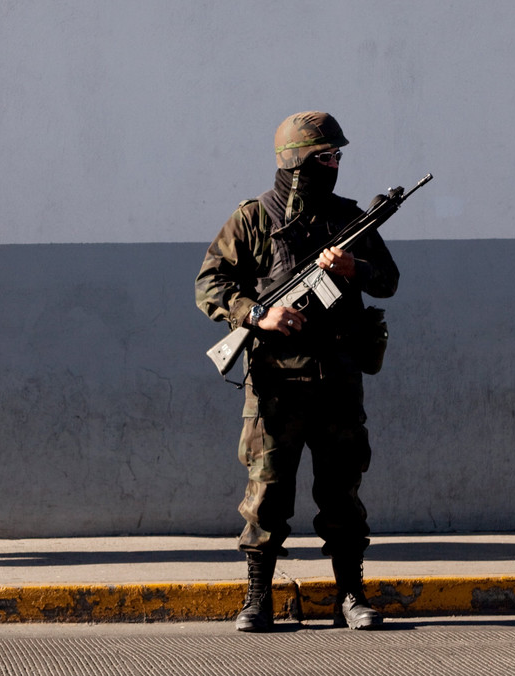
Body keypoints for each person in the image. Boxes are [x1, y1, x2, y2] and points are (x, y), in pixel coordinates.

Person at [196, 111, 399, 630]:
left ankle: (350, 595)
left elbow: (388, 281)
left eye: (337, 156)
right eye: (326, 156)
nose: (335, 164)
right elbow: (210, 284)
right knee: (265, 498)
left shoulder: (351, 220)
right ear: (298, 163)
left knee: (343, 497)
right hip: (275, 387)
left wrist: (354, 269)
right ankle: (258, 597)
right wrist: (258, 313)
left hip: (337, 384)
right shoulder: (253, 219)